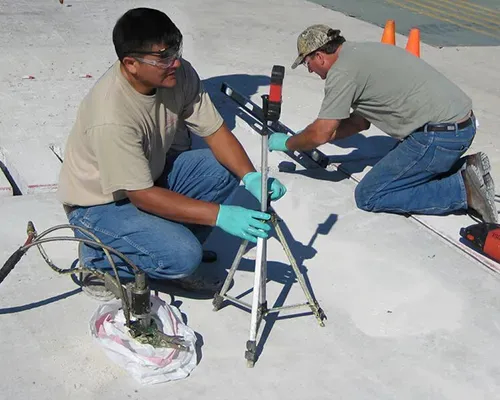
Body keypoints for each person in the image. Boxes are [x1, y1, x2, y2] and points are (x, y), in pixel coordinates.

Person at [57, 7, 287, 293]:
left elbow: (215, 131)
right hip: (100, 205)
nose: (175, 62)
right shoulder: (111, 116)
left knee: (223, 168)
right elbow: (141, 196)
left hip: (148, 178)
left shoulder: (177, 74)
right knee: (184, 256)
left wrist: (251, 177)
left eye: (176, 50)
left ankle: (162, 246)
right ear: (131, 64)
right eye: (163, 57)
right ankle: (98, 257)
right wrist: (220, 215)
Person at [269, 24, 497, 223]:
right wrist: (309, 136)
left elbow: (322, 132)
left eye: (308, 63)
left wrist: (290, 143)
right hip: (460, 126)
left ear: (320, 56)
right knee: (402, 173)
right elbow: (359, 124)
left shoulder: (342, 72)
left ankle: (462, 190)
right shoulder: (362, 52)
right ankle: (465, 168)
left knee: (370, 195)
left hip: (438, 137)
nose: (310, 70)